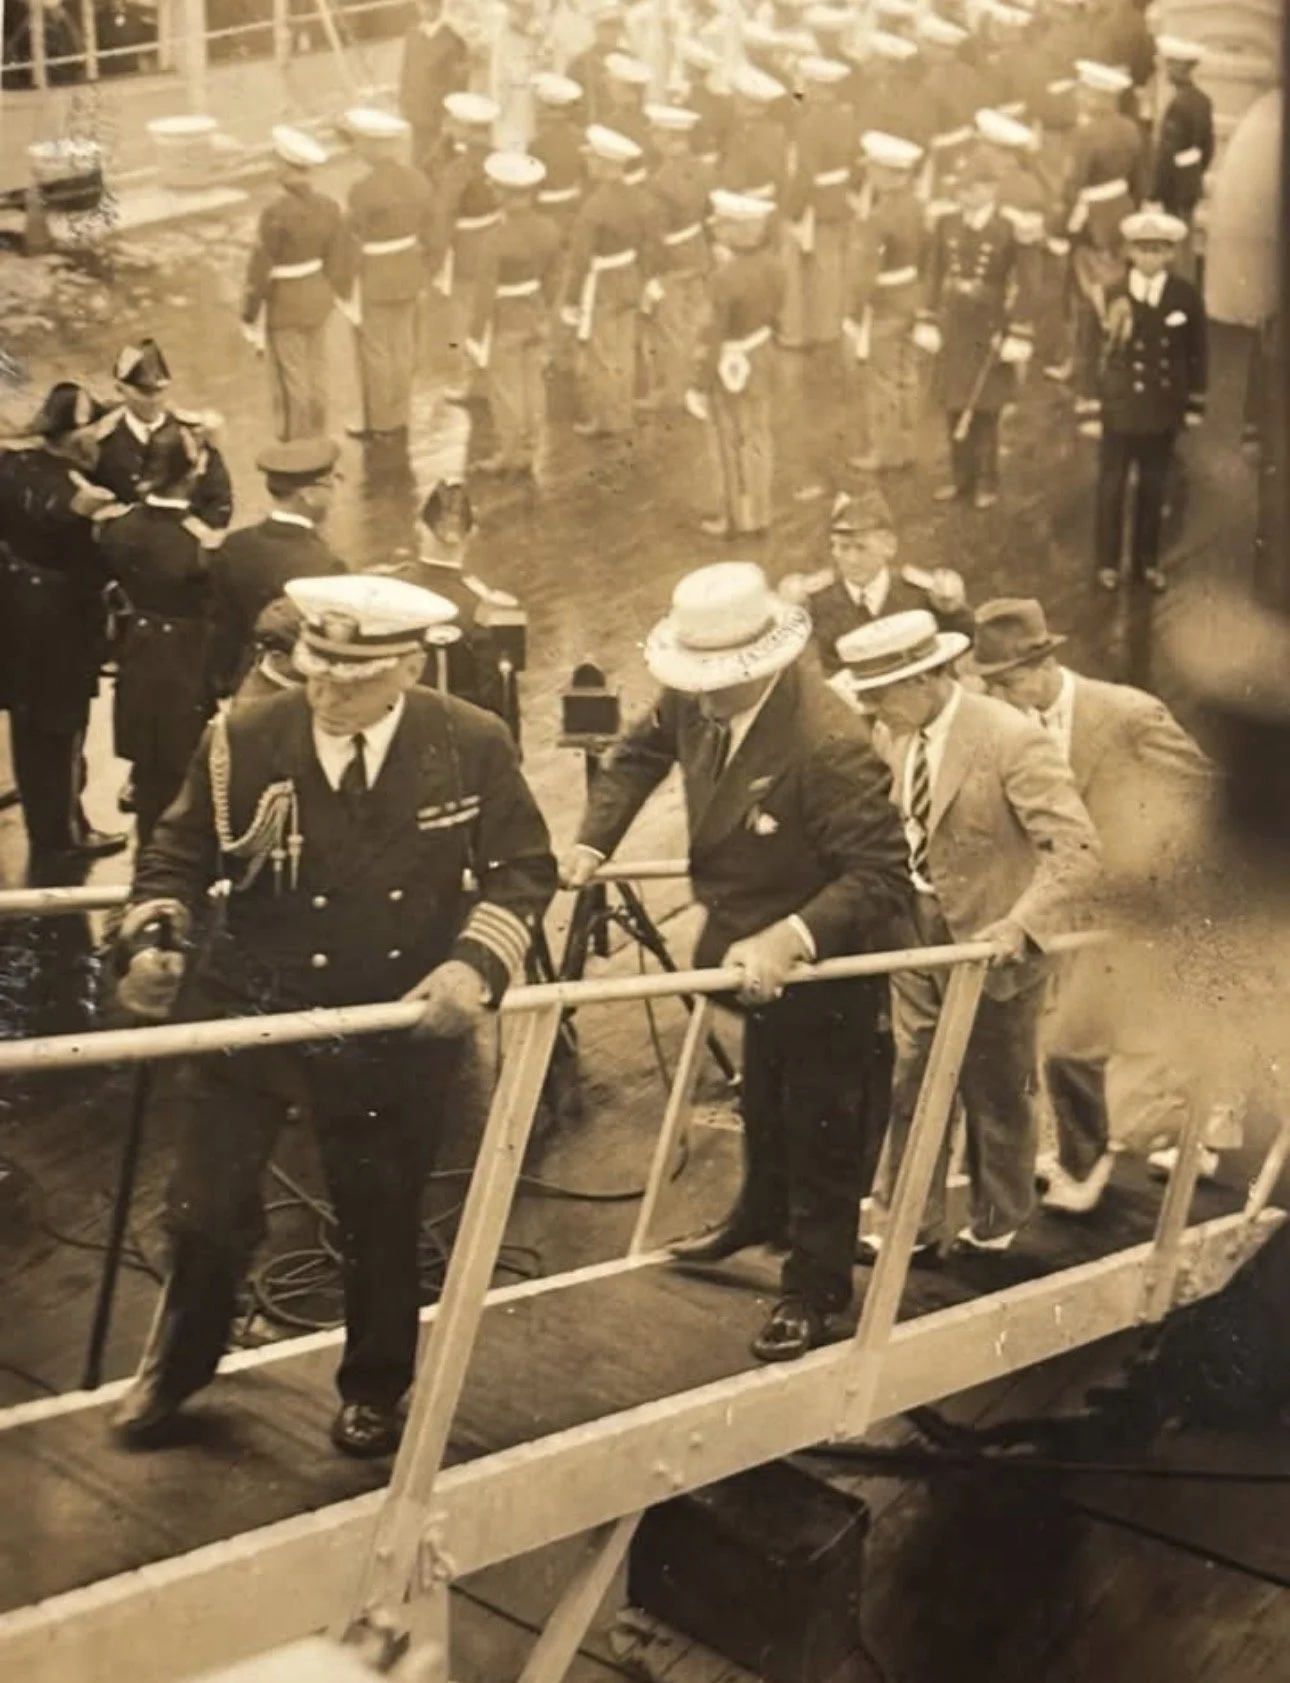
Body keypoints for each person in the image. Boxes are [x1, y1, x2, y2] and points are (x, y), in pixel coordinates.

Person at [110, 573, 557, 1456]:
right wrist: (153, 936)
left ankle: (375, 1387)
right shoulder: (243, 736)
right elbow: (176, 854)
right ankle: (180, 1364)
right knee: (202, 1205)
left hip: (388, 1017)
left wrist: (472, 966)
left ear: (409, 668)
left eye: (353, 678)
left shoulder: (469, 740)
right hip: (254, 1007)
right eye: (317, 671)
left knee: (380, 1210)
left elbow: (523, 868)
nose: (328, 692)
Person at [563, 562, 909, 1360]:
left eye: (713, 682)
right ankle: (759, 1212)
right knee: (764, 1090)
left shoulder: (827, 743)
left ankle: (815, 1288)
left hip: (823, 959)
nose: (699, 695)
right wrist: (592, 841)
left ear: (761, 666)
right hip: (744, 941)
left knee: (822, 1117)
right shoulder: (700, 693)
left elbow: (880, 875)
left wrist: (791, 936)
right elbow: (637, 752)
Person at [834, 609, 1101, 1254]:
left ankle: (997, 1220)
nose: (870, 708)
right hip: (917, 933)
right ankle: (907, 1225)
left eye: (879, 694)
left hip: (994, 945)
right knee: (913, 1078)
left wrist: (1020, 925)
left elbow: (1077, 850)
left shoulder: (1011, 738)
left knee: (997, 1091)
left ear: (923, 680)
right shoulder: (896, 733)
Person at [970, 597, 1218, 1212]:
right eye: (992, 686)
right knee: (1068, 1041)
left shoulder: (1128, 713)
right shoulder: (1012, 726)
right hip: (1070, 904)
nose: (1000, 696)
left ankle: (1167, 1141)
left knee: (1110, 1036)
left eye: (1006, 682)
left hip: (1147, 899)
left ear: (1041, 666)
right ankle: (1099, 1155)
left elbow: (1204, 791)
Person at [0, 382, 127, 867]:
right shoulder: (80, 496)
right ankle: (62, 836)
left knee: (31, 726)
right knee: (60, 731)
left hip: (17, 613)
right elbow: (101, 557)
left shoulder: (15, 466)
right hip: (59, 627)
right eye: (95, 428)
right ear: (75, 436)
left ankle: (45, 813)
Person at [95, 420, 218, 846]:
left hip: (137, 655)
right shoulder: (198, 543)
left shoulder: (116, 527)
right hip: (185, 663)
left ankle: (146, 852)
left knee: (148, 771)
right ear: (191, 474)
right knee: (184, 774)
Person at [914, 145, 1036, 509]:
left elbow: (1028, 282)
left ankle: (987, 481)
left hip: (990, 327)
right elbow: (933, 274)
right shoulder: (947, 223)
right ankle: (961, 480)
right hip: (954, 326)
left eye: (971, 188)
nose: (963, 194)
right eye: (961, 187)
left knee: (986, 409)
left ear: (990, 188)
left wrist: (1019, 331)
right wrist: (927, 318)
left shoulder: (1009, 229)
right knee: (953, 404)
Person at [1093, 205, 1206, 592]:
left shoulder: (1184, 296)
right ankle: (1107, 562)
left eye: (1158, 250)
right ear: (1129, 251)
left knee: (1154, 487)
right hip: (1120, 406)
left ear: (1170, 253)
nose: (1149, 258)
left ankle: (1148, 562)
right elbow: (1092, 349)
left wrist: (1194, 402)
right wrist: (1090, 405)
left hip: (1162, 407)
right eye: (1142, 249)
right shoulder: (1112, 292)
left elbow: (1197, 351)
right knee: (1112, 486)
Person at [206, 438, 347, 697]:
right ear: (308, 495)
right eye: (331, 483)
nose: (336, 492)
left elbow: (220, 629)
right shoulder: (324, 564)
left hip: (239, 684)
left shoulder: (234, 544)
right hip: (290, 692)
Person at [781, 486, 972, 677]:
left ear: (889, 546)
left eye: (861, 548)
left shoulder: (921, 594)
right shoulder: (818, 601)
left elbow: (966, 643)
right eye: (843, 548)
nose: (852, 560)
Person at [241, 126, 356, 442]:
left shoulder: (275, 212)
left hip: (285, 300)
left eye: (276, 160)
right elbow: (339, 258)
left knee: (291, 375)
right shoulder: (328, 206)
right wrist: (333, 292)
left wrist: (250, 313)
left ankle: (298, 443)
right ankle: (318, 433)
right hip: (317, 294)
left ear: (285, 166)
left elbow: (260, 269)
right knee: (317, 367)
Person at [687, 189, 784, 539]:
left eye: (723, 225)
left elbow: (713, 335)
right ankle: (758, 513)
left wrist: (699, 383)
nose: (716, 230)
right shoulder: (775, 266)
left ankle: (732, 517)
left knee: (727, 440)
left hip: (729, 361)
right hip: (762, 353)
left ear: (738, 232)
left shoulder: (723, 279)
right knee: (757, 436)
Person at [342, 107, 436, 445]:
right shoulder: (417, 180)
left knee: (376, 349)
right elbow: (430, 226)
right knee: (403, 345)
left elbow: (352, 235)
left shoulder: (362, 189)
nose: (357, 148)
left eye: (361, 142)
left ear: (373, 146)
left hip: (376, 274)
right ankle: (400, 413)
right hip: (409, 269)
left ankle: (381, 420)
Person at [467, 151, 562, 477]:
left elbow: (484, 291)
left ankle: (509, 453)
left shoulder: (494, 239)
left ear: (503, 194)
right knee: (533, 385)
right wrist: (547, 312)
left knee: (506, 390)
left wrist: (474, 334)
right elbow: (553, 276)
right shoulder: (548, 228)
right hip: (535, 311)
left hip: (506, 318)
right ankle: (530, 447)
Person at [1063, 59, 1143, 428]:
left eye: (1086, 90)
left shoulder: (1087, 134)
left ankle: (1090, 391)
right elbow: (1141, 181)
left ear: (1100, 96)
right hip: (1122, 216)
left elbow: (1072, 185)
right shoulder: (1131, 129)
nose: (1081, 96)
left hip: (1091, 222)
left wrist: (1062, 222)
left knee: (1090, 306)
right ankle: (1101, 381)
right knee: (1115, 298)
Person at [562, 124, 654, 439]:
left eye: (593, 159)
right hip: (630, 272)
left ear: (604, 164)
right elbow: (648, 243)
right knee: (624, 347)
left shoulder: (594, 206)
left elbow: (580, 259)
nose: (588, 163)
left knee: (602, 352)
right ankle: (622, 412)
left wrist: (571, 298)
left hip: (602, 280)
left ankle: (605, 419)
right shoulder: (639, 198)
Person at [846, 129, 927, 475]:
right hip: (912, 294)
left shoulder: (878, 218)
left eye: (873, 169)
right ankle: (907, 445)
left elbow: (864, 273)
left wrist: (853, 312)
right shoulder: (916, 206)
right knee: (908, 374)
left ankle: (884, 450)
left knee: (882, 379)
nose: (868, 174)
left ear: (889, 173)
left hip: (884, 303)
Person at [92, 339, 233, 531]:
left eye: (159, 391)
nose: (154, 400)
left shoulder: (193, 433)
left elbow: (220, 500)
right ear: (120, 389)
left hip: (187, 541)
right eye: (144, 392)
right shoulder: (104, 440)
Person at [639, 102, 712, 412]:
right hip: (698, 251)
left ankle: (672, 393)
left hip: (671, 260)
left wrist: (651, 274)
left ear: (668, 138)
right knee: (693, 324)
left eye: (656, 133)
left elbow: (655, 235)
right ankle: (691, 383)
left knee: (669, 329)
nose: (653, 139)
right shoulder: (703, 169)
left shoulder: (659, 182)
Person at [430, 91, 502, 404]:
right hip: (496, 235)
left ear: (464, 127)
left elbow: (443, 214)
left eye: (453, 122)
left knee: (463, 314)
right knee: (492, 310)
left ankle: (468, 379)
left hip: (467, 247)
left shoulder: (459, 169)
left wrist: (433, 258)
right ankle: (489, 373)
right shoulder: (497, 157)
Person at [778, 55, 854, 354]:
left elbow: (805, 174)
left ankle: (803, 332)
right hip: (839, 198)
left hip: (816, 202)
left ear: (818, 88)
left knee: (810, 268)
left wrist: (791, 211)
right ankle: (828, 330)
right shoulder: (846, 116)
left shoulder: (810, 123)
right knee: (831, 266)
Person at [1148, 36, 1214, 266]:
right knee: (1185, 238)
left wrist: (1155, 192)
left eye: (1171, 65)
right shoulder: (1203, 100)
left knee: (1173, 242)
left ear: (1183, 68)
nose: (1167, 70)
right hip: (1191, 180)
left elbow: (1167, 154)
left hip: (1174, 185)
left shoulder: (1178, 105)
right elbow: (1208, 147)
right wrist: (1194, 172)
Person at [398, 0, 470, 175]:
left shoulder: (452, 39)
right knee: (418, 160)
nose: (425, 9)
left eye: (430, 5)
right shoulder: (412, 34)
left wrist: (451, 114)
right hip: (417, 109)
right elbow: (407, 70)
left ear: (439, 6)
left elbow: (458, 81)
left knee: (441, 162)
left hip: (439, 114)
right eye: (421, 4)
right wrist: (404, 100)